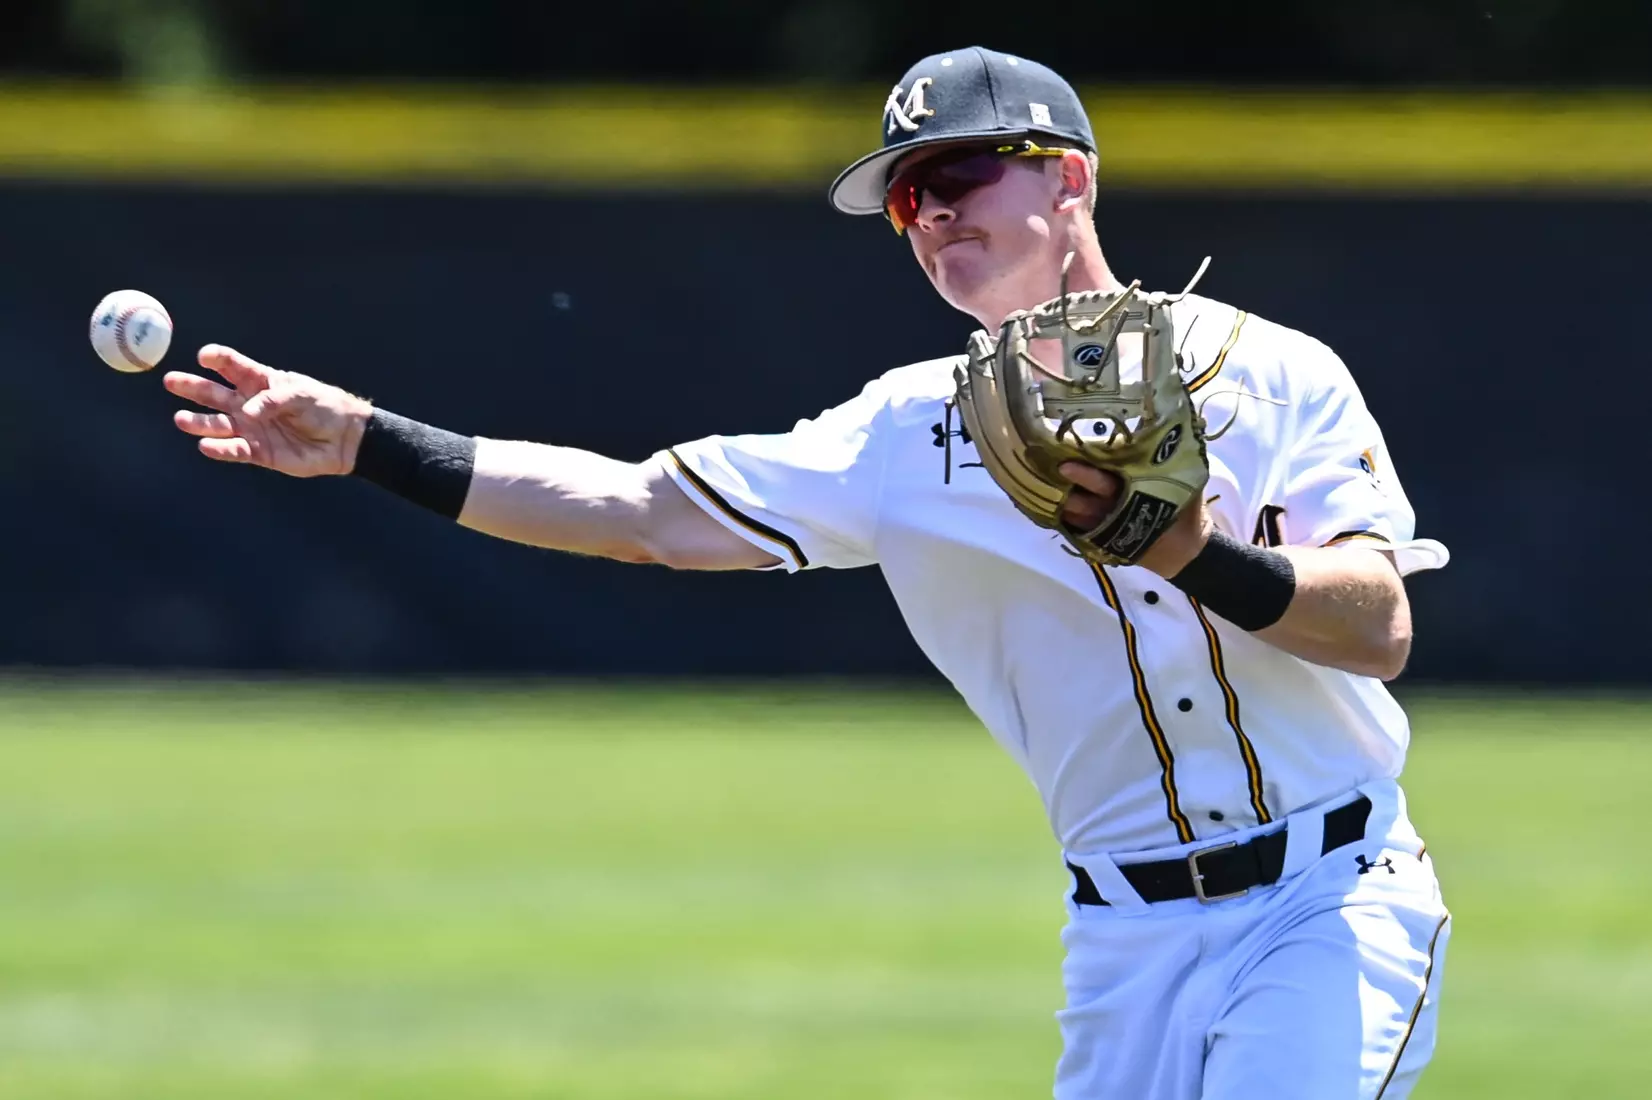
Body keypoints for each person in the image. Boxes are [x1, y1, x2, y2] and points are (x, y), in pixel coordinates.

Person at [161, 46, 1451, 1100]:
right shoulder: (904, 435)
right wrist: (371, 444)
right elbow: (645, 511)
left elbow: (1377, 625)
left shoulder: (1268, 370)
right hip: (1125, 942)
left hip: (1327, 904)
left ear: (1070, 179)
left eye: (957, 172)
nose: (934, 212)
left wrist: (1188, 552)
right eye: (906, 198)